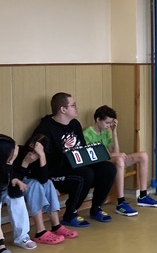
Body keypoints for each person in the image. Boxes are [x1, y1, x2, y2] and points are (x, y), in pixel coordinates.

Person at [30, 92, 117, 227]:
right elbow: (37, 158)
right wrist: (48, 182)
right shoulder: (45, 128)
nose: (77, 108)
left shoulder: (75, 124)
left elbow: (82, 149)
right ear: (63, 109)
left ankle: (96, 208)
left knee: (108, 168)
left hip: (76, 165)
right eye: (73, 105)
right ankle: (70, 214)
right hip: (56, 172)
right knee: (86, 174)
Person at [83, 105, 157, 215]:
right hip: (99, 163)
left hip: (110, 158)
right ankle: (121, 202)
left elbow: (115, 151)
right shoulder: (87, 133)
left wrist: (114, 131)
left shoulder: (105, 131)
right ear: (98, 120)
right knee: (119, 160)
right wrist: (116, 156)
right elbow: (93, 157)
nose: (108, 125)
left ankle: (143, 196)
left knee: (143, 155)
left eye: (110, 123)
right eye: (107, 123)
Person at [16, 133, 78, 245]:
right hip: (18, 185)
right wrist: (25, 162)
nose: (32, 151)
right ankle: (40, 232)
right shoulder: (20, 152)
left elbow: (44, 179)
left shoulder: (44, 157)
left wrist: (42, 157)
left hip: (34, 185)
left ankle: (56, 226)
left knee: (48, 183)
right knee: (34, 185)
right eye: (32, 146)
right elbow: (16, 179)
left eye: (37, 150)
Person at [0, 134, 35, 250]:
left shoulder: (6, 162)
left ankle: (22, 237)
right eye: (14, 148)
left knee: (16, 195)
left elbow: (9, 174)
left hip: (2, 189)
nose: (17, 149)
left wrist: (14, 179)